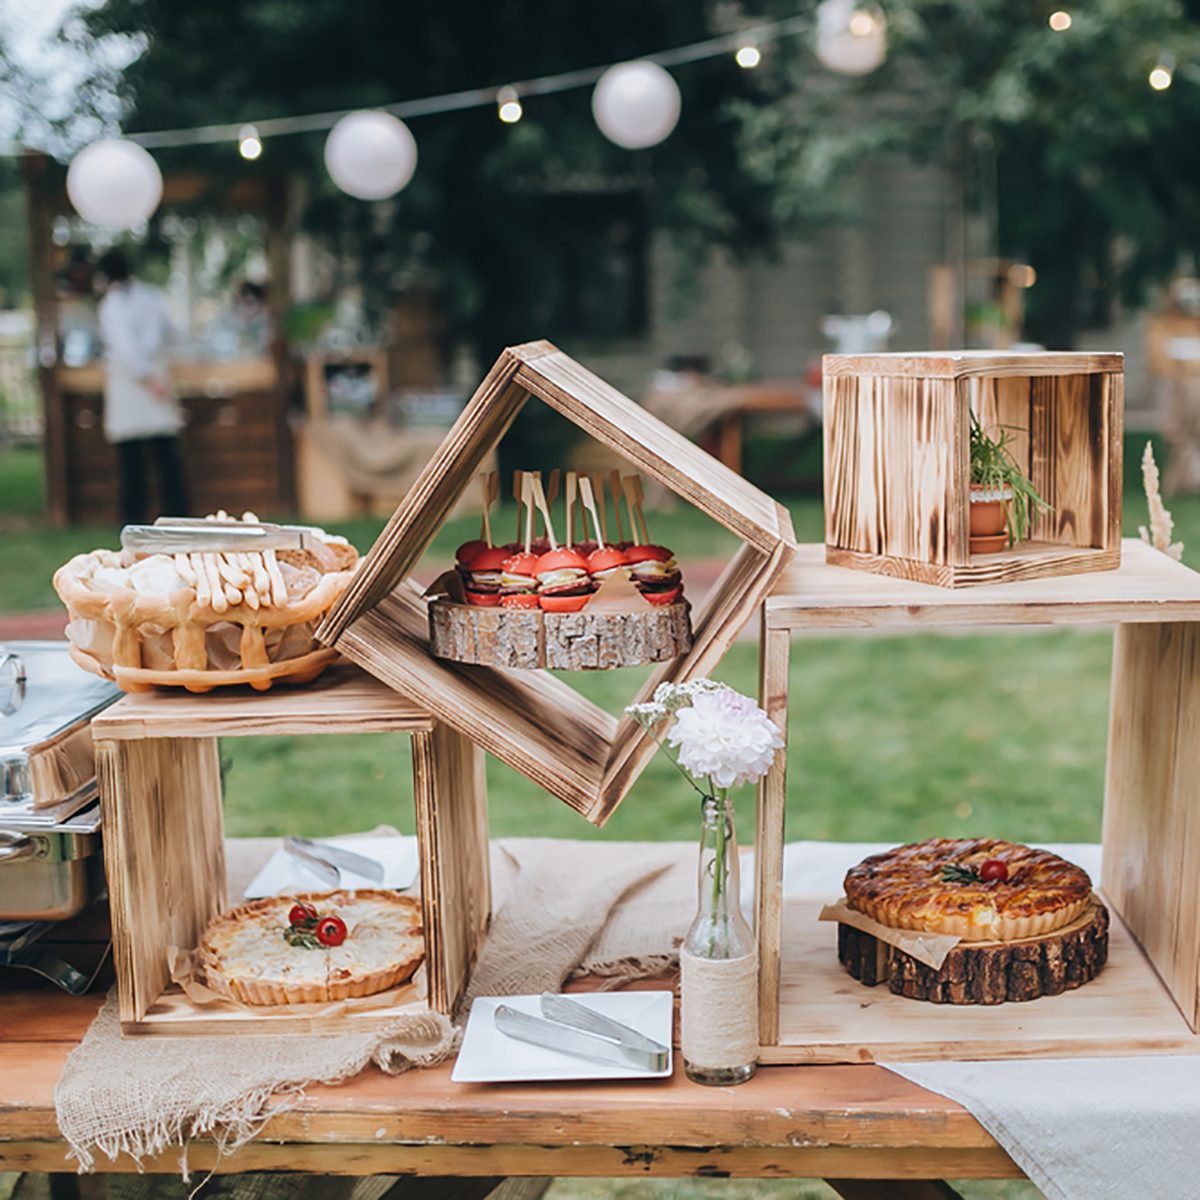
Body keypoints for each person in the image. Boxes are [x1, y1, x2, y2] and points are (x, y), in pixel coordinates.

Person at [95, 249, 189, 524]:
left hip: (133, 381)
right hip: (155, 376)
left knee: (132, 460)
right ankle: (176, 517)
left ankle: (135, 519)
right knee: (165, 455)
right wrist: (156, 378)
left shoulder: (111, 305)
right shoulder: (152, 296)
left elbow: (126, 351)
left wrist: (148, 378)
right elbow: (175, 333)